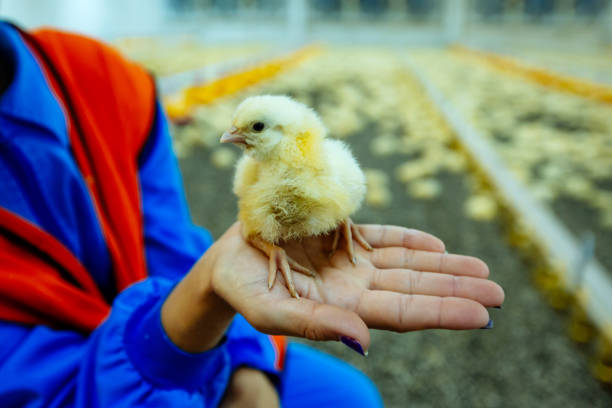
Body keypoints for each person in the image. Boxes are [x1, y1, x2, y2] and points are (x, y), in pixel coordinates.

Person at [0, 21, 504, 407]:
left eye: (252, 131)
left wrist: (245, 364)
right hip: (89, 377)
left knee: (348, 396)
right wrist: (204, 303)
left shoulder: (105, 82)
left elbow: (173, 248)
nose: (234, 140)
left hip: (175, 335)